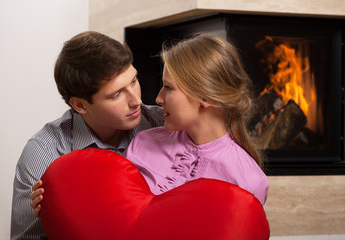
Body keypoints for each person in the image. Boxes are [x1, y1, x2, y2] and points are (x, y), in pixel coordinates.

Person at [31, 33, 269, 218]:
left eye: (169, 87)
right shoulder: (143, 142)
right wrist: (56, 205)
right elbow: (113, 209)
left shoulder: (249, 180)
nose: (154, 99)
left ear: (206, 98)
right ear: (80, 105)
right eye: (116, 95)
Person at [10, 31, 164, 240]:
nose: (136, 100)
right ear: (80, 105)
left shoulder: (164, 124)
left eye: (134, 80)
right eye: (117, 94)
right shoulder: (44, 153)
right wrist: (56, 217)